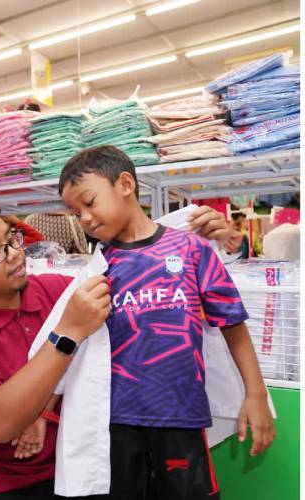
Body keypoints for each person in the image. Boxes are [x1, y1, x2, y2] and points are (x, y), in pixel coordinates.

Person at [0, 201, 236, 499]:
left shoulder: (56, 290)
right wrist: (68, 331)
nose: (14, 255)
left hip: (77, 464)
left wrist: (207, 242)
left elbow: (142, 275)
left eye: (13, 240)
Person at [59, 145, 275, 499]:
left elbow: (232, 323)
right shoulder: (97, 268)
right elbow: (72, 344)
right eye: (74, 212)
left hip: (180, 417)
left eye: (89, 202)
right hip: (114, 421)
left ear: (125, 184)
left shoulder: (192, 250)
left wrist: (256, 394)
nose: (83, 218)